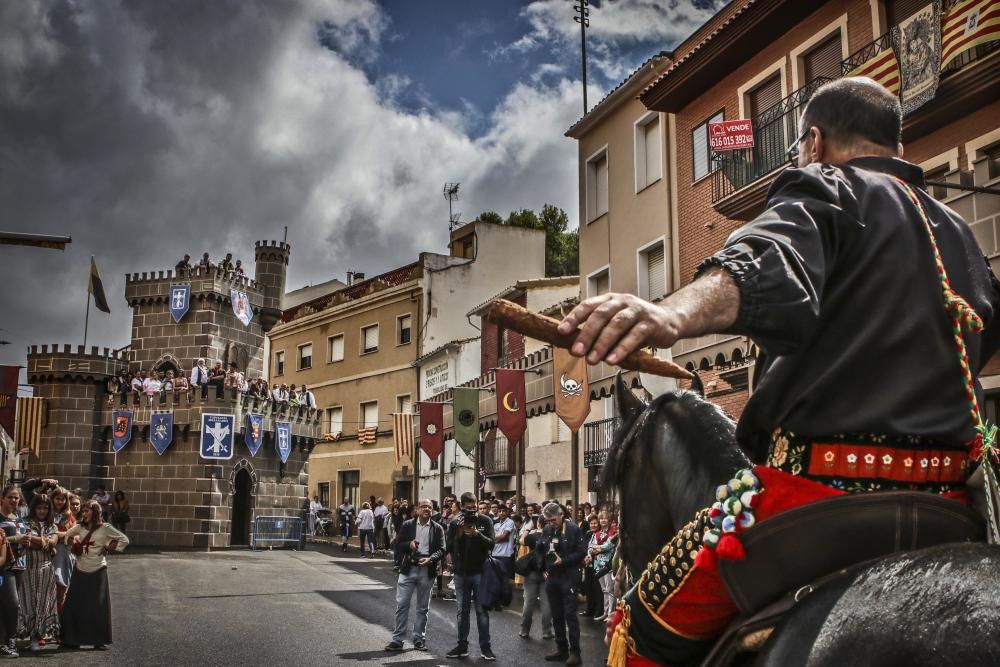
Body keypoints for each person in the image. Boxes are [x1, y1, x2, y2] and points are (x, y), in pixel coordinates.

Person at [559, 77, 1000, 665]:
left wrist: (669, 312)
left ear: (814, 141)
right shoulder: (961, 235)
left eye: (797, 146)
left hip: (817, 497)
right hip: (952, 502)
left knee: (640, 621)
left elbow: (767, 261)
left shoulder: (827, 186)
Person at [61, 500, 129, 649]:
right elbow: (66, 536)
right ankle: (72, 640)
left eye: (87, 511)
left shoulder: (105, 528)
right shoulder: (79, 527)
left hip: (98, 569)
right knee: (75, 604)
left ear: (95, 512)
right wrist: (74, 542)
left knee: (98, 606)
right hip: (80, 568)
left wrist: (108, 547)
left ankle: (98, 641)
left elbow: (124, 539)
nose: (84, 513)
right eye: (83, 511)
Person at [385, 498, 446, 652]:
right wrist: (409, 545)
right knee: (402, 605)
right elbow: (398, 545)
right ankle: (397, 640)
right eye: (424, 506)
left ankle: (419, 639)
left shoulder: (437, 528)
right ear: (418, 509)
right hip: (409, 569)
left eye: (430, 507)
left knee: (422, 608)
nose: (427, 509)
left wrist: (431, 558)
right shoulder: (408, 525)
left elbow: (442, 549)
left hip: (427, 569)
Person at [530, 502, 586, 665]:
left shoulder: (573, 529)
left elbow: (581, 551)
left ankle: (575, 653)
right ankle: (562, 649)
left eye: (553, 520)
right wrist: (542, 568)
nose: (551, 523)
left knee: (570, 615)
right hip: (552, 577)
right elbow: (539, 549)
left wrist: (564, 560)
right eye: (548, 521)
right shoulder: (547, 529)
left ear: (561, 514)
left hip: (569, 576)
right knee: (556, 615)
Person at [445, 492, 496, 661]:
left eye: (474, 508)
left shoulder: (485, 521)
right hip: (461, 573)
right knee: (462, 612)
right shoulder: (454, 523)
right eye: (468, 508)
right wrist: (459, 533)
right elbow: (449, 547)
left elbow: (491, 544)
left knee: (482, 612)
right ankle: (462, 646)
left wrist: (477, 534)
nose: (471, 512)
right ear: (462, 507)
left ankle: (486, 648)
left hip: (480, 573)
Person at [19, 494, 59, 652]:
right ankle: (27, 635)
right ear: (33, 508)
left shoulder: (52, 525)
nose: (42, 511)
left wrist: (35, 540)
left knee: (43, 603)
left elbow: (52, 543)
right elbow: (25, 541)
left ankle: (38, 636)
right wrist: (44, 543)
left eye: (45, 507)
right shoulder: (25, 522)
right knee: (27, 603)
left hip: (46, 569)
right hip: (27, 568)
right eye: (39, 507)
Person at [0, 486, 28, 657]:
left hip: (20, 566)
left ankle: (5, 641)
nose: (14, 500)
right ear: (2, 498)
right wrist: (14, 539)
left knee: (7, 606)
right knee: (12, 604)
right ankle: (9, 640)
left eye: (16, 498)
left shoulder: (19, 518)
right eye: (10, 497)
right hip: (4, 567)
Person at [518, 509, 553, 641]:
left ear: (538, 523)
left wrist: (529, 528)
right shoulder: (551, 537)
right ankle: (547, 631)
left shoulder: (532, 537)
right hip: (546, 572)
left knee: (528, 602)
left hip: (532, 571)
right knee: (546, 603)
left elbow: (521, 540)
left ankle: (524, 630)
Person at [50, 487, 76, 611]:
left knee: (62, 588)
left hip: (65, 554)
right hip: (50, 553)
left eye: (63, 499)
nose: (60, 502)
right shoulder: (47, 513)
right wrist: (64, 535)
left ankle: (60, 621)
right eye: (57, 499)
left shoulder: (69, 517)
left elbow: (74, 537)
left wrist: (59, 535)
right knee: (49, 589)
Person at [588, 510, 616, 623]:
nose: (603, 520)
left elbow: (608, 547)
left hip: (608, 565)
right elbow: (590, 548)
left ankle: (610, 613)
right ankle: (605, 613)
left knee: (610, 590)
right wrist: (597, 548)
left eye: (605, 518)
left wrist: (596, 548)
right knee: (604, 590)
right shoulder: (597, 533)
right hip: (598, 564)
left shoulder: (613, 532)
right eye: (601, 518)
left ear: (609, 520)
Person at [491, 504, 516, 580]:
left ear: (507, 512)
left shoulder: (510, 522)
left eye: (503, 511)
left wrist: (493, 540)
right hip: (495, 553)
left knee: (504, 578)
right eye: (499, 511)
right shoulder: (496, 525)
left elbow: (504, 537)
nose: (501, 513)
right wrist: (497, 539)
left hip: (505, 555)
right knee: (495, 577)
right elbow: (499, 538)